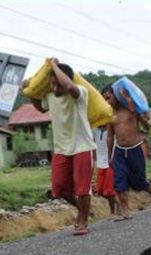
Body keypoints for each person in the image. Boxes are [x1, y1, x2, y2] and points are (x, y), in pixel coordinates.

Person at [26, 58, 95, 236]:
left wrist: (54, 66)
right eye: (52, 85)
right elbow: (41, 108)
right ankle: (82, 209)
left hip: (82, 146)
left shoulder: (80, 93)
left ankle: (83, 221)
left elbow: (70, 88)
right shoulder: (51, 96)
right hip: (61, 149)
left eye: (58, 84)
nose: (55, 89)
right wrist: (28, 91)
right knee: (60, 188)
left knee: (82, 188)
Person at [102, 85, 151, 220]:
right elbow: (110, 136)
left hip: (135, 149)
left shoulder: (130, 109)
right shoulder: (110, 115)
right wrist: (109, 156)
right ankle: (125, 210)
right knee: (120, 181)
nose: (107, 101)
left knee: (139, 180)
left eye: (109, 97)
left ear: (115, 95)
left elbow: (146, 125)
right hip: (119, 151)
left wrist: (135, 107)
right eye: (104, 99)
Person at [92, 125, 117, 215]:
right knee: (100, 191)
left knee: (109, 191)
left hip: (110, 163)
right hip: (100, 164)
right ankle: (118, 203)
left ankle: (113, 212)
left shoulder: (112, 130)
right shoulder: (95, 130)